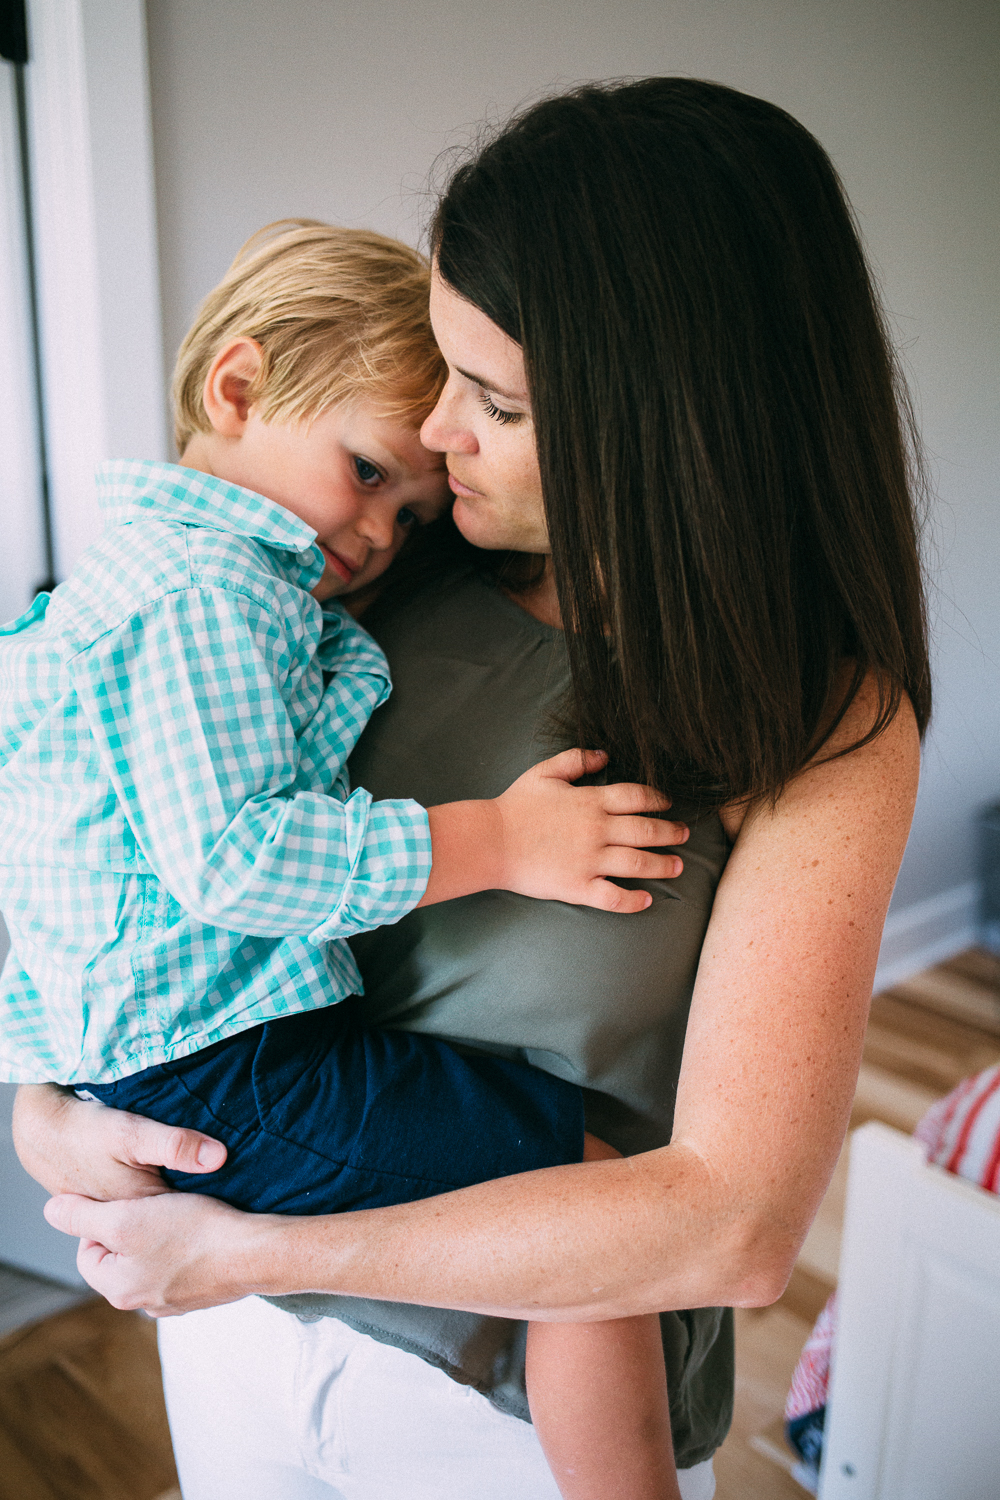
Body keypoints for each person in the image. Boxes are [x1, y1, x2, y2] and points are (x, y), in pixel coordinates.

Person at [16, 77, 929, 1500]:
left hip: (515, 1414)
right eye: (441, 375)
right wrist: (47, 1107)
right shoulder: (340, 583)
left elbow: (739, 1227)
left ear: (661, 426)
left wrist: (262, 1252)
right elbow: (103, 848)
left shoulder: (823, 721)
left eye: (491, 402)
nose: (434, 436)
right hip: (235, 1340)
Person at [0, 218, 692, 1500]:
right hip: (233, 1065)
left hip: (174, 1056)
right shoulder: (209, 597)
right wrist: (502, 840)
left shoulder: (130, 585)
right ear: (240, 388)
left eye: (413, 507)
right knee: (594, 1214)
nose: (381, 532)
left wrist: (46, 1074)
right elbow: (236, 859)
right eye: (369, 471)